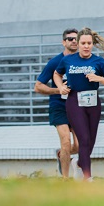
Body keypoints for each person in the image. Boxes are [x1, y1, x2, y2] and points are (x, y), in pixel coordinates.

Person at [53, 27, 104, 181]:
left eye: (89, 43)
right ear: (78, 44)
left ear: (92, 44)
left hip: (93, 103)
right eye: (83, 43)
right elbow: (57, 73)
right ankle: (87, 177)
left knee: (91, 141)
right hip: (75, 101)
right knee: (84, 139)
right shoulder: (68, 60)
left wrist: (99, 79)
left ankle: (80, 163)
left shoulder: (99, 61)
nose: (86, 46)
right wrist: (60, 87)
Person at [34, 28, 80, 178]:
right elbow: (38, 86)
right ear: (64, 42)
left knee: (79, 146)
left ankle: (61, 154)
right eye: (70, 39)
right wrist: (58, 90)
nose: (74, 41)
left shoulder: (84, 61)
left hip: (77, 106)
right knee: (66, 141)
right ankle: (65, 180)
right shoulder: (55, 62)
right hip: (59, 106)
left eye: (76, 38)